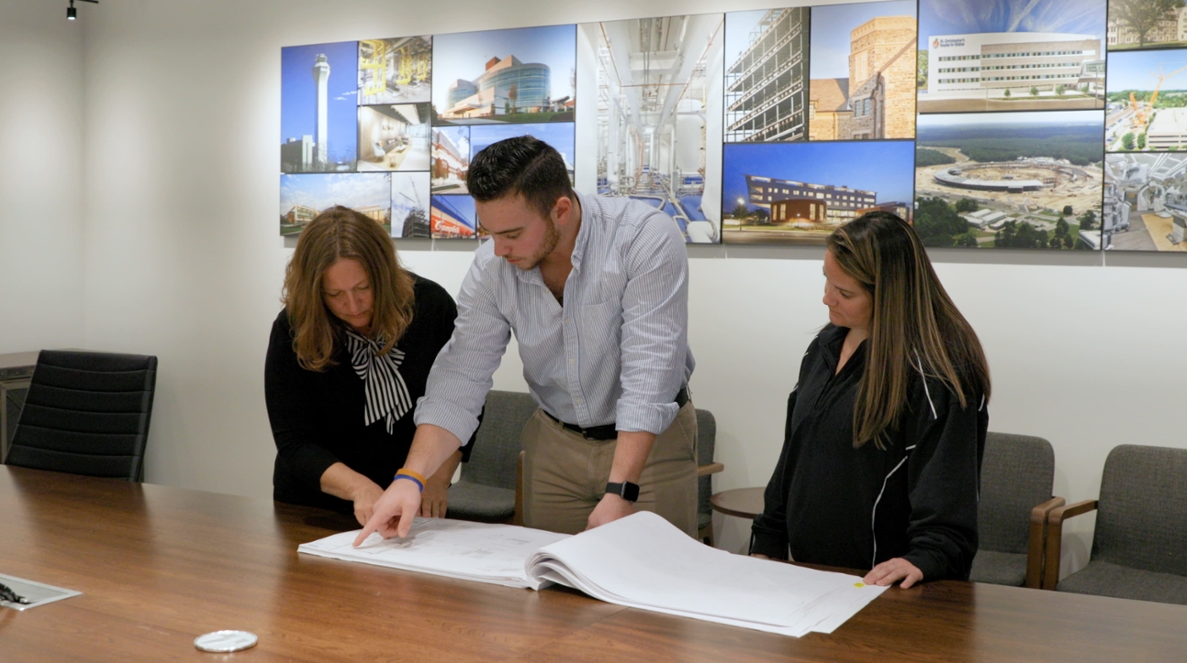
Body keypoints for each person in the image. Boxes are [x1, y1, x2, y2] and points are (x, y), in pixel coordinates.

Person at [354, 135, 697, 545]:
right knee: (548, 585)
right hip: (554, 444)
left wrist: (621, 490)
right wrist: (411, 478)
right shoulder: (491, 266)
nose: (499, 249)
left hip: (648, 446)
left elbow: (650, 373)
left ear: (561, 211)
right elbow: (461, 376)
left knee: (651, 588)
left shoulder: (644, 238)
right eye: (490, 233)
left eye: (513, 233)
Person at [750, 212, 990, 589]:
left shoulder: (937, 375)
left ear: (891, 294)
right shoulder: (825, 347)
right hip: (811, 577)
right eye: (827, 280)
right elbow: (794, 455)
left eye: (845, 293)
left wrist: (927, 557)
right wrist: (767, 541)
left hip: (883, 588)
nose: (826, 297)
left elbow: (948, 496)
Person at [265, 206, 469, 525]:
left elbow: (462, 404)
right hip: (315, 505)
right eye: (335, 294)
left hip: (415, 496)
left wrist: (435, 480)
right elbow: (294, 440)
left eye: (363, 288)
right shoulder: (295, 327)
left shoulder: (431, 307)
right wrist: (359, 488)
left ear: (384, 274)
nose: (353, 305)